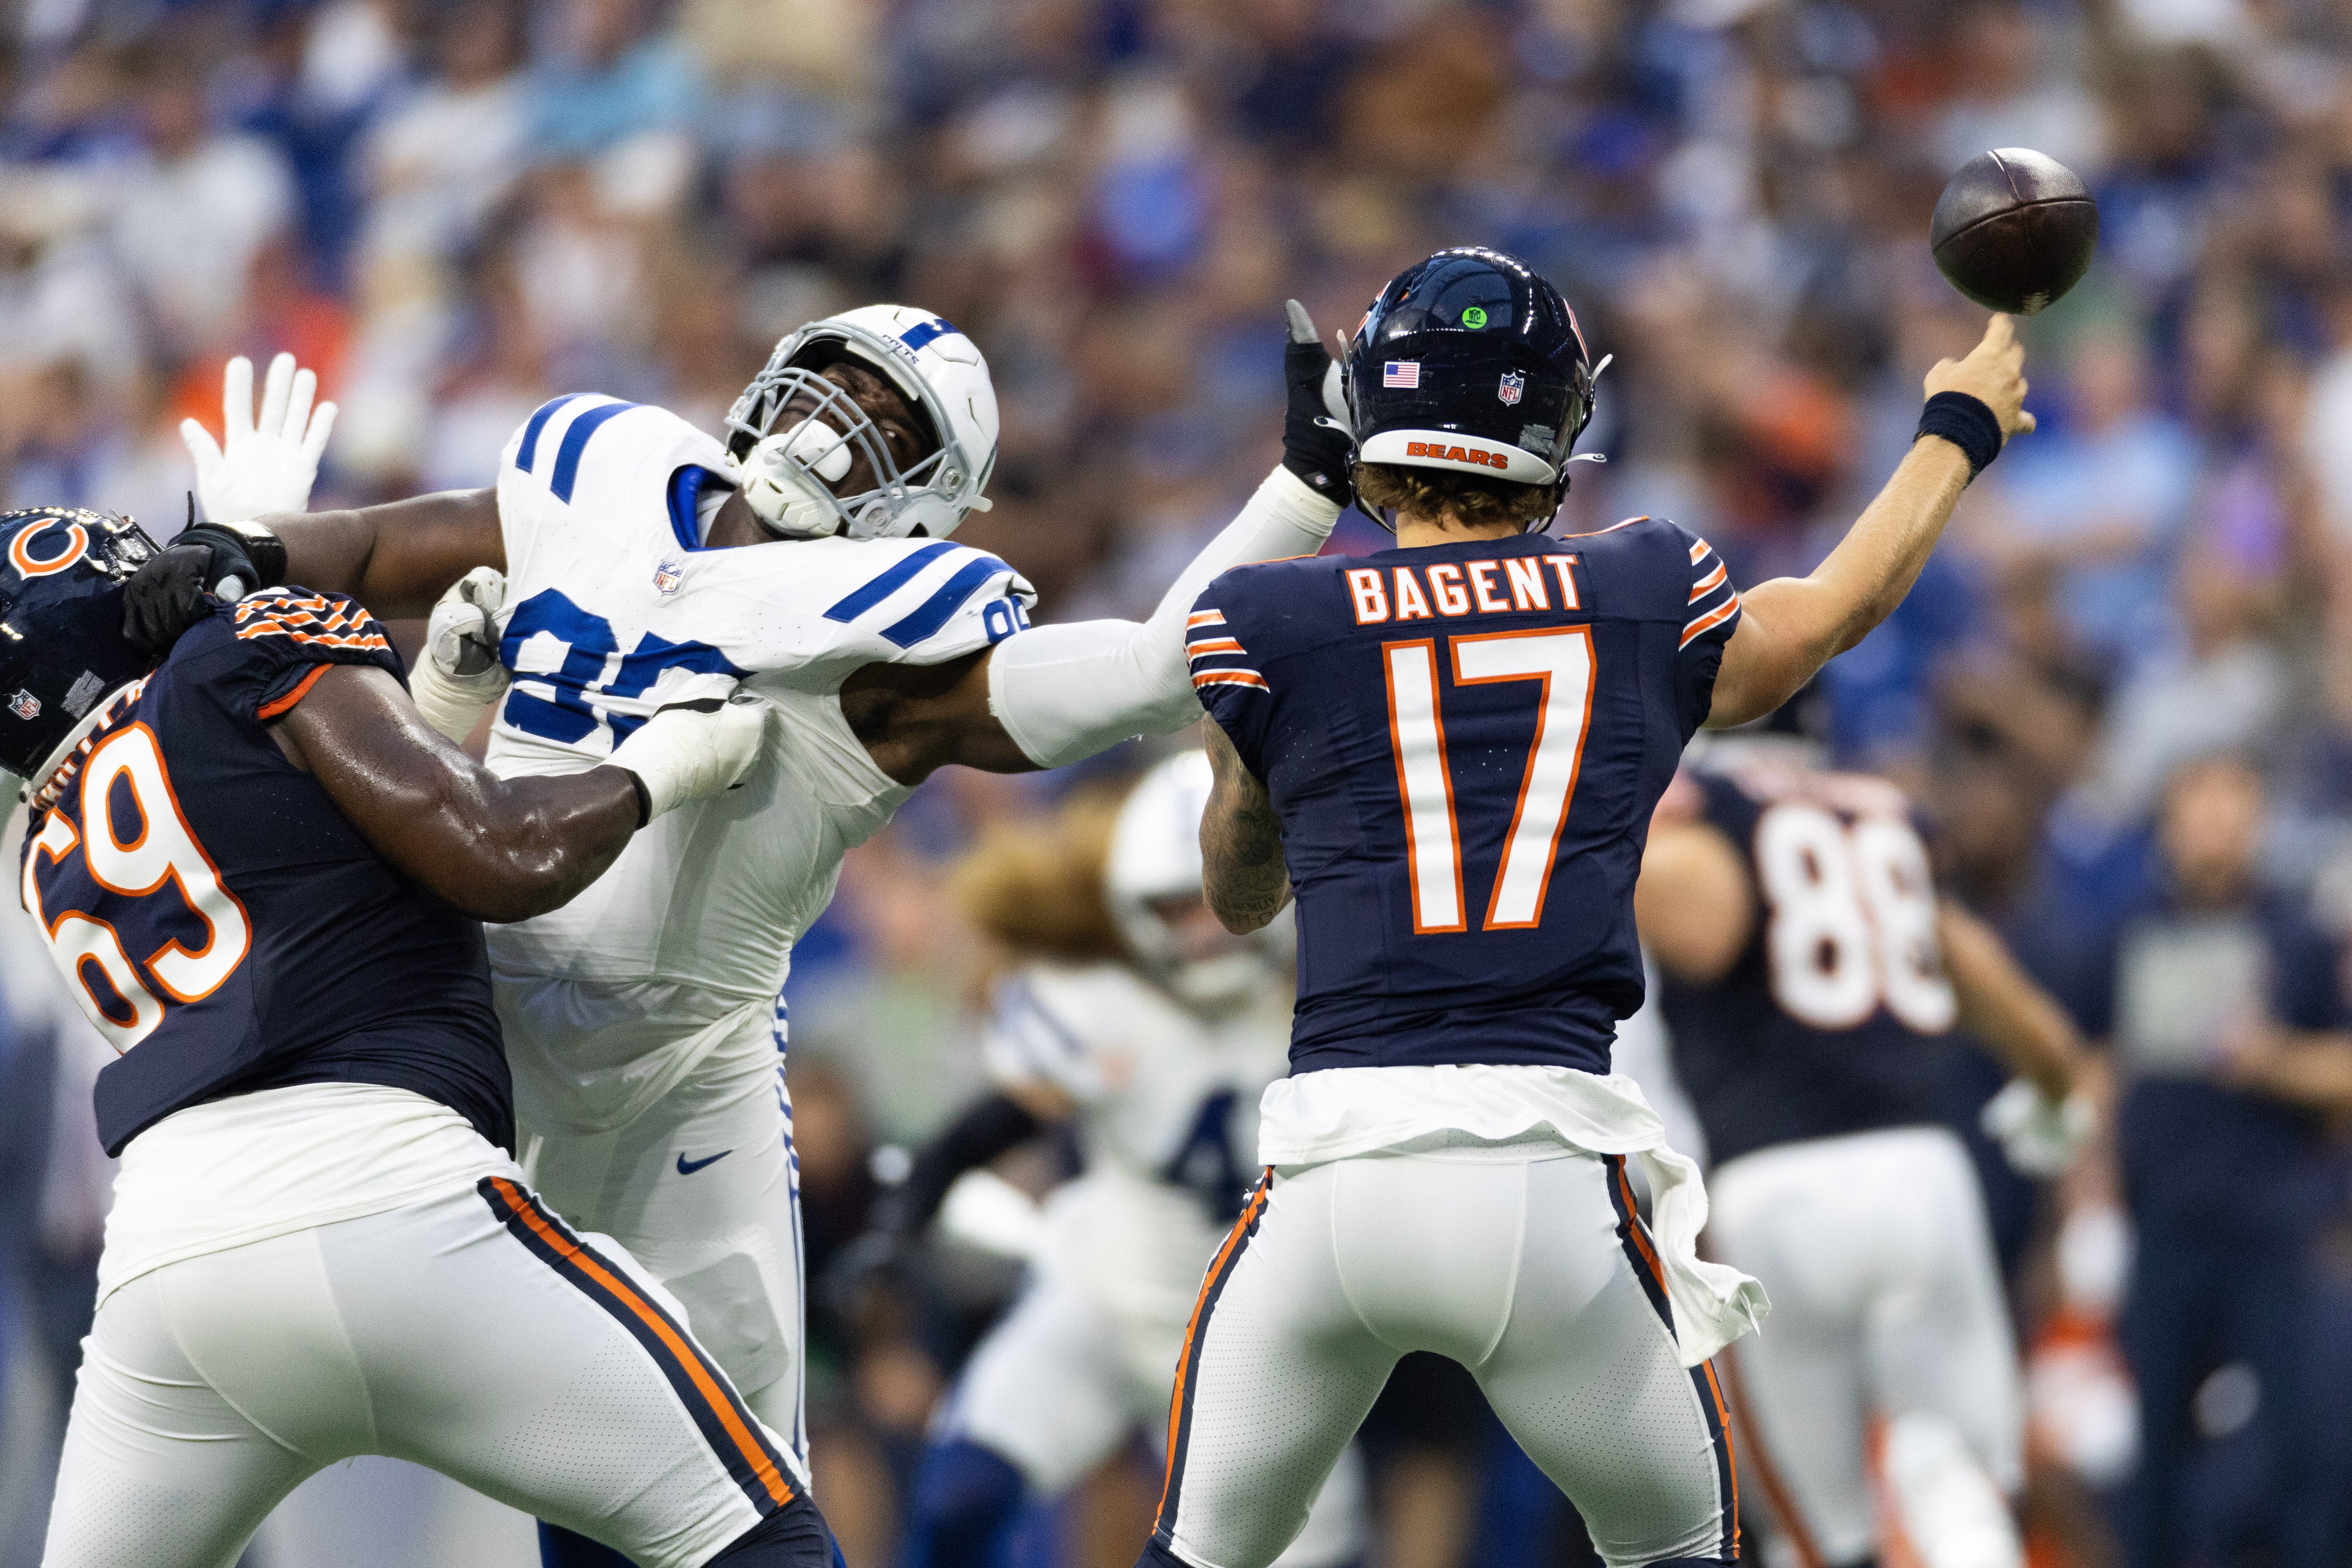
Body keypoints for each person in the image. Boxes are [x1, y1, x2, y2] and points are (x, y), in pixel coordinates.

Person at [139, 304, 1356, 1564]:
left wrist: (1304, 487)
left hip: (677, 1110)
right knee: (348, 1405)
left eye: (891, 423)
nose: (840, 421)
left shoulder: (888, 661)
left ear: (928, 508)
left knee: (717, 1516)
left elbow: (1157, 665)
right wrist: (244, 544)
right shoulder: (608, 484)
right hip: (466, 1044)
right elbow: (377, 545)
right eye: (834, 379)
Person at [1144, 245, 2033, 1568]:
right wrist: (1956, 430)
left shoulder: (1265, 614)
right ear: (1557, 426)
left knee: (1194, 1553)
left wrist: (1282, 763)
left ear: (1365, 415)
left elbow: (1237, 894)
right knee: (1685, 1547)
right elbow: (1829, 614)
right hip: (1547, 1182)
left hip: (1330, 1178)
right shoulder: (1640, 586)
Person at [0, 504, 859, 1568]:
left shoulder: (40, 846)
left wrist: (436, 708)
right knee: (759, 1534)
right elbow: (498, 852)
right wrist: (665, 763)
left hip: (168, 1279)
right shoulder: (245, 646)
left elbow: (305, 879)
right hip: (394, 1200)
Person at [881, 753, 1363, 1568]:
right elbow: (995, 1124)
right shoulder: (1093, 1001)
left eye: (1218, 902)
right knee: (963, 1498)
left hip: (1265, 1336)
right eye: (1177, 907)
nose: (1205, 932)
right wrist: (905, 1217)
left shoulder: (1333, 997)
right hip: (1105, 1297)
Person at [1636, 733, 2091, 1568]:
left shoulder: (1702, 806)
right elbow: (2024, 1019)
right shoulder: (1878, 813)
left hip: (1770, 1186)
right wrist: (2054, 1096)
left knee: (1819, 1534)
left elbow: (1705, 932)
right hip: (1925, 1178)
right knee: (1963, 1492)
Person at [2094, 755, 2351, 1568]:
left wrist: (2273, 1059)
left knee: (2306, 1447)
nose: (2213, 829)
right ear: (2168, 828)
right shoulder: (2127, 931)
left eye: (2230, 808)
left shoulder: (2302, 937)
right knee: (2156, 1451)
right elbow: (2092, 1064)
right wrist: (2088, 1184)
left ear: (2258, 823)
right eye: (2197, 810)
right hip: (2165, 1224)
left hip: (2275, 1228)